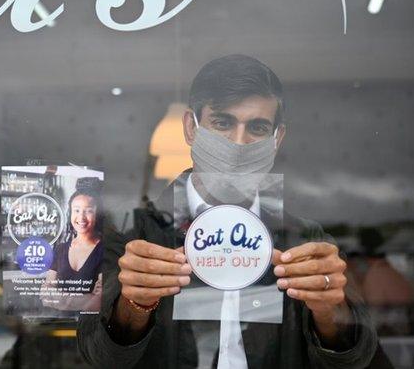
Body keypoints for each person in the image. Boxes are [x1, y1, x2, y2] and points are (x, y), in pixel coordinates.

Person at [77, 54, 378, 368]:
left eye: (258, 128)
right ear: (191, 127)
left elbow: (356, 358)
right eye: (222, 122)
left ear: (279, 138)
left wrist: (330, 309)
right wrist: (134, 304)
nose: (238, 143)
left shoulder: (306, 241)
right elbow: (97, 354)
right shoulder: (131, 233)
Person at [42, 183, 104, 313]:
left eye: (88, 211)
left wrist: (60, 299)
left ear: (97, 214)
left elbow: (99, 302)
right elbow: (45, 295)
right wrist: (86, 299)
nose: (81, 217)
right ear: (70, 213)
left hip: (88, 326)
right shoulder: (60, 249)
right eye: (76, 210)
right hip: (57, 322)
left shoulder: (104, 250)